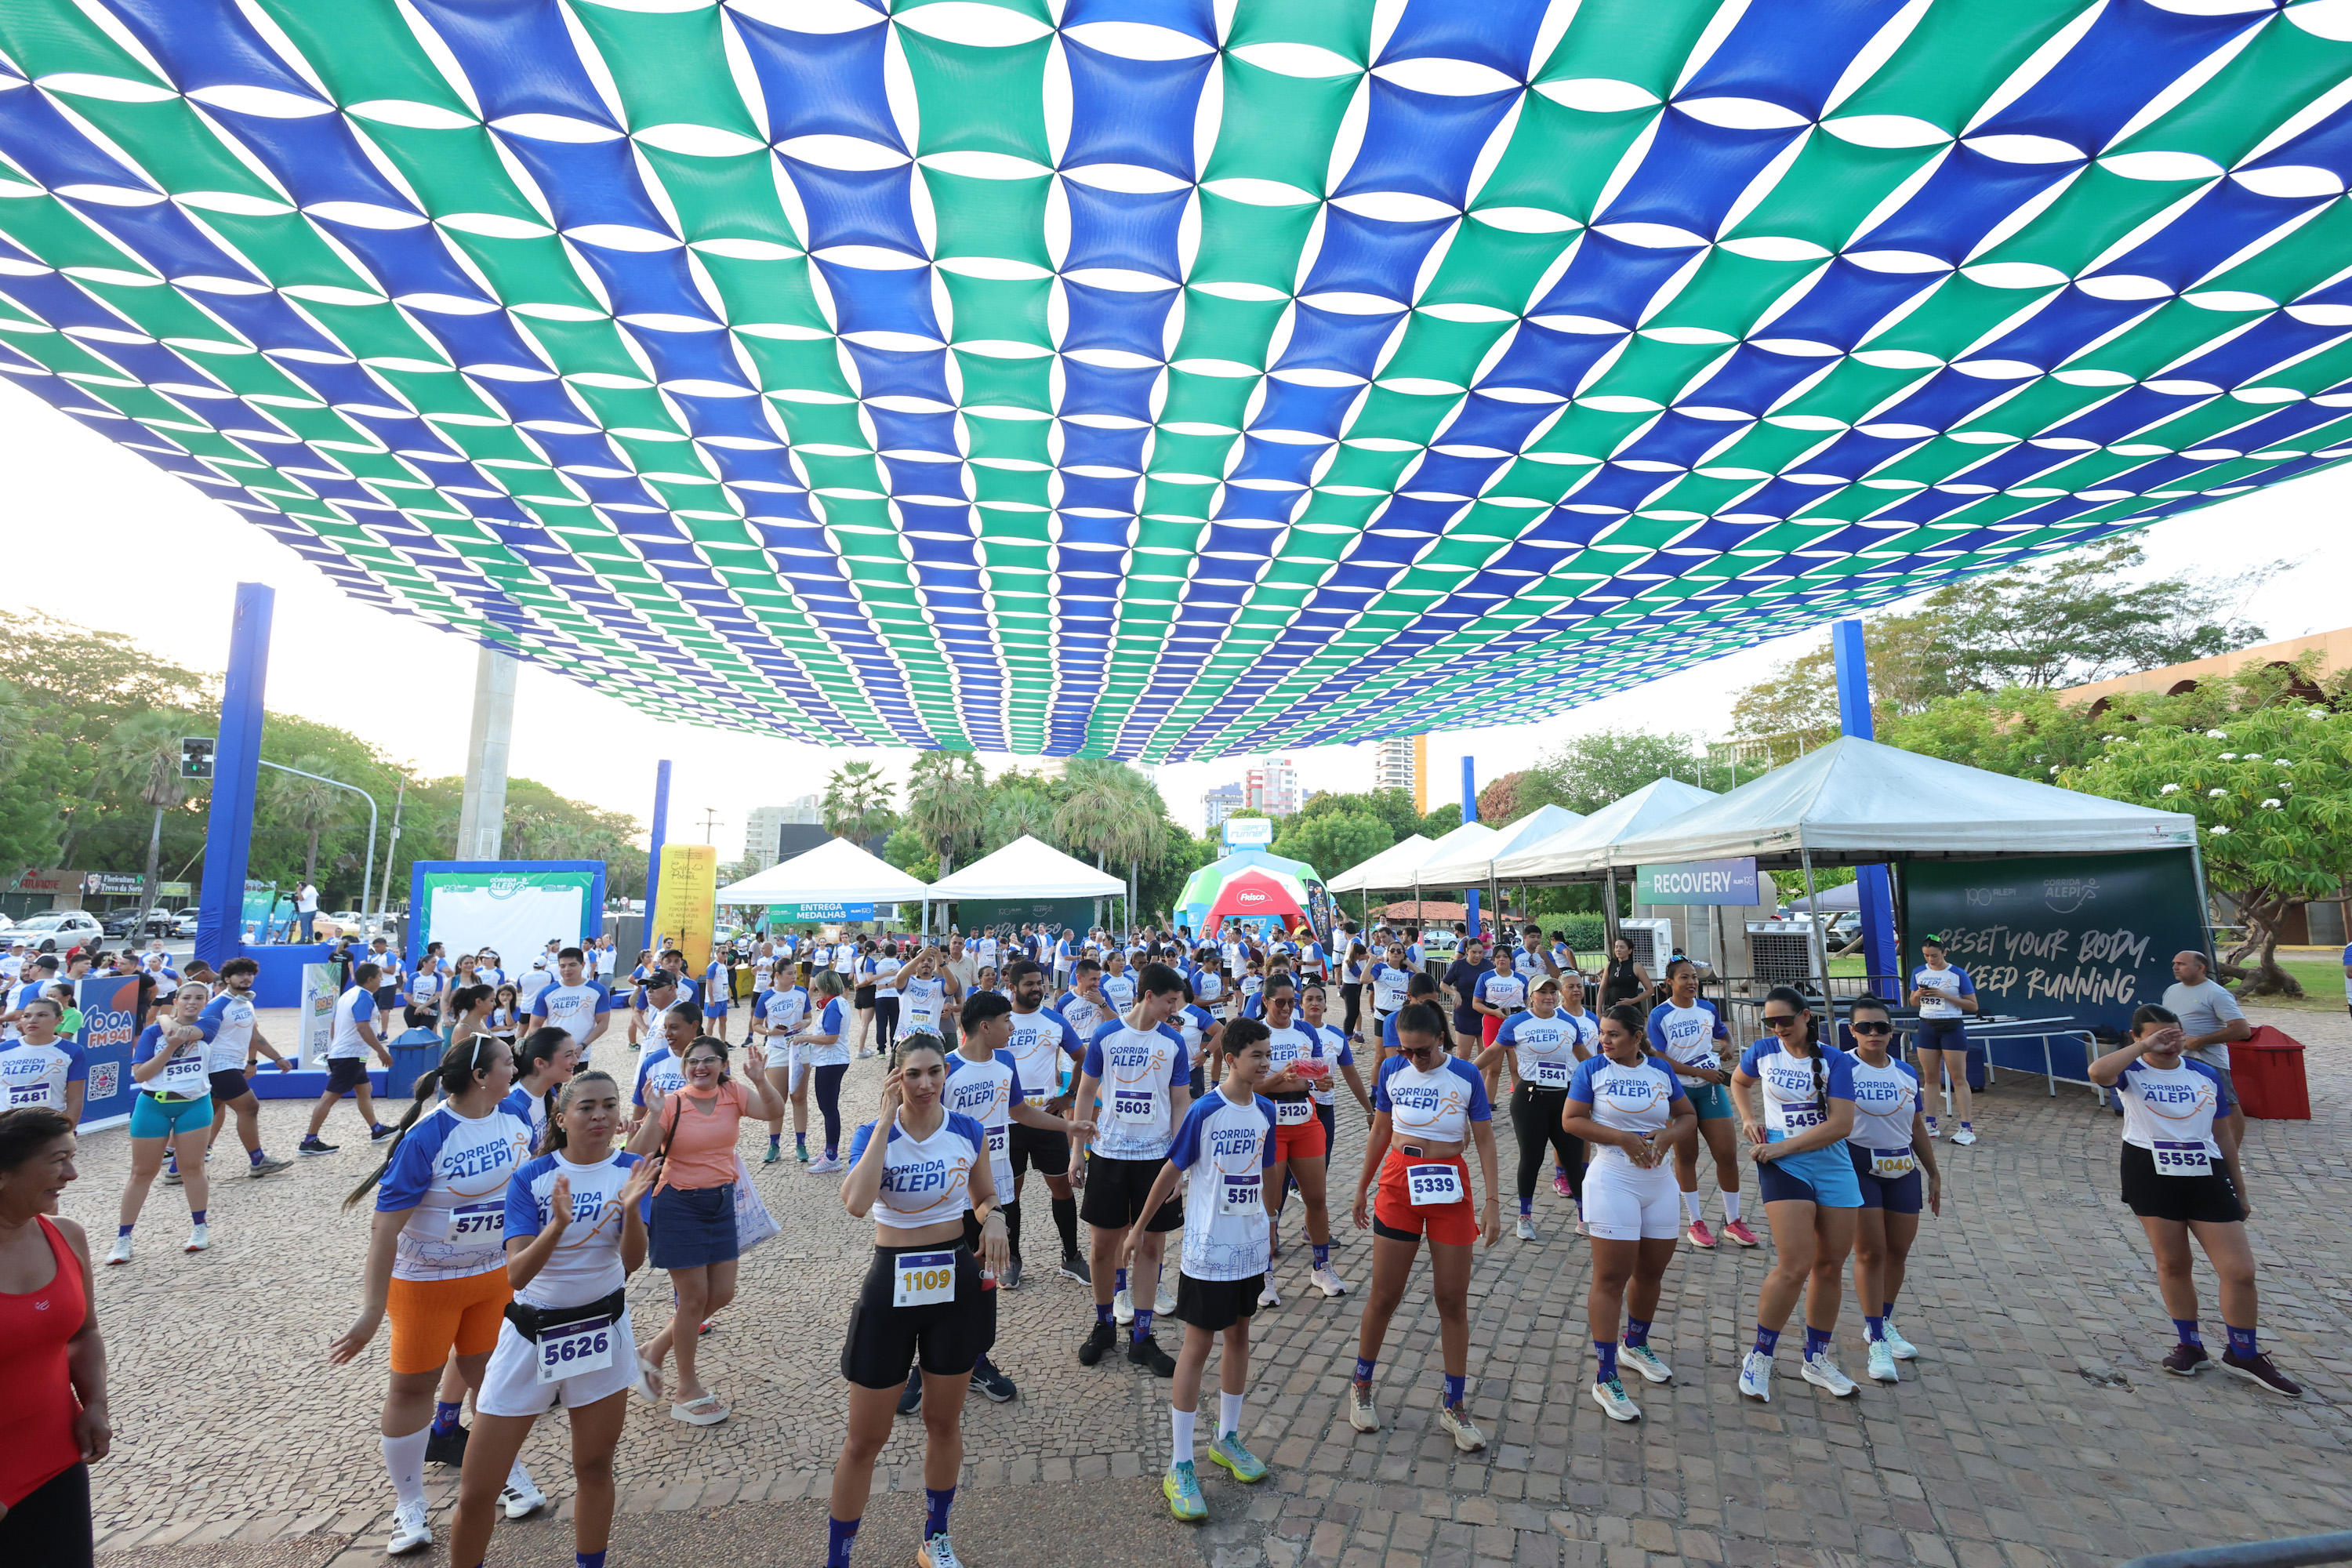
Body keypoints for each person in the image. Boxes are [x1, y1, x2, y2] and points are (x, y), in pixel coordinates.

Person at [329, 1035, 539, 1556]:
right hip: (426, 1286)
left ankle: (506, 1472)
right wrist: (371, 1310)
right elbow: (384, 1228)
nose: (515, 1068)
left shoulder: (515, 1114)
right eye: (507, 1062)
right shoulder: (428, 1136)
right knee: (412, 1389)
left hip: (492, 1279)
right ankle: (409, 1505)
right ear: (480, 1076)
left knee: (492, 1383)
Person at [445, 1071, 659, 1568]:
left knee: (595, 1467)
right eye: (587, 1107)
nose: (600, 1115)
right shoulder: (533, 1177)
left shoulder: (632, 1170)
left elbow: (632, 1262)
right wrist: (558, 1225)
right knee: (478, 1489)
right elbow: (517, 1273)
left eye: (609, 1105)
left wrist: (631, 1211)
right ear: (562, 1119)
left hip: (602, 1331)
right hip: (529, 1334)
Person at [826, 1036, 1009, 1568]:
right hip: (891, 1285)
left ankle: (936, 1538)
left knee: (943, 1422)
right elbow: (857, 1203)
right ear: (895, 1078)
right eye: (913, 1074)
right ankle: (839, 1558)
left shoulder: (967, 1130)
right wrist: (886, 1123)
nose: (926, 1084)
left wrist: (995, 1216)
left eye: (935, 1072)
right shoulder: (873, 1134)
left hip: (954, 1282)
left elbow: (983, 1196)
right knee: (864, 1439)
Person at [2087, 1006, 2299, 1396]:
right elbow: (2098, 1073)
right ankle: (2190, 1344)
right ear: (2136, 1038)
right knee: (2173, 1262)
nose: (2169, 1044)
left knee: (2240, 1270)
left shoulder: (2204, 1073)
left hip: (2206, 1173)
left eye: (2175, 1035)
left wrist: (2240, 1189)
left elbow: (2223, 1136)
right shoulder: (2132, 1070)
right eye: (2158, 1036)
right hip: (2150, 1171)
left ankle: (2243, 1353)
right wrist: (2145, 1048)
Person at [1126, 1016, 1278, 1521]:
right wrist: (1139, 1228)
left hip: (1248, 1249)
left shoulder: (1267, 1111)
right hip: (1209, 1252)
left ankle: (1227, 1438)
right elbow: (1170, 1170)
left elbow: (1264, 1174)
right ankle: (1180, 1464)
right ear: (1230, 1059)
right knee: (1198, 1346)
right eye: (1256, 1055)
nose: (1265, 1063)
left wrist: (1269, 1227)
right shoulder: (1204, 1111)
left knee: (1240, 1335)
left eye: (1268, 1053)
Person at [1346, 1000, 1498, 1449]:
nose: (1414, 1059)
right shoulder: (1392, 1070)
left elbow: (1485, 1139)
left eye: (1423, 1051)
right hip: (1399, 1182)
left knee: (1452, 1298)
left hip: (1449, 1184)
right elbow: (1379, 1130)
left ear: (1441, 1039)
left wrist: (1492, 1202)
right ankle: (1361, 1385)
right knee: (1384, 1295)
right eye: (1406, 1050)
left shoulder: (1466, 1075)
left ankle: (1454, 1404)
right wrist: (1362, 1187)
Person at [625, 1034, 780, 1425]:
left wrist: (761, 1079)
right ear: (684, 1068)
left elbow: (773, 1111)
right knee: (693, 1298)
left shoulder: (733, 1093)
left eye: (710, 1060)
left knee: (722, 1293)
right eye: (693, 1061)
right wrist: (652, 1114)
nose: (701, 1067)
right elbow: (635, 1154)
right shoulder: (672, 1103)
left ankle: (652, 1350)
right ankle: (686, 1389)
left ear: (723, 1065)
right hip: (678, 1205)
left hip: (721, 1202)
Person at [1560, 1003, 1694, 1421]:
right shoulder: (1592, 1070)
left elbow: (1687, 1116)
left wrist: (1668, 1136)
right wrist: (1620, 1137)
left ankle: (1635, 1345)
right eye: (1602, 1032)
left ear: (1637, 1037)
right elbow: (1571, 1120)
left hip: (1659, 1182)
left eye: (1614, 1034)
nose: (1604, 1040)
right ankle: (1605, 1376)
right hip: (1613, 1179)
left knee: (1652, 1272)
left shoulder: (1660, 1070)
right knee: (1611, 1278)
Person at [1730, 986, 1864, 1403]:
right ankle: (1760, 1355)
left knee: (1830, 1265)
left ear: (1806, 1016)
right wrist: (1748, 1117)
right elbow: (1739, 1081)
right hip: (1783, 1165)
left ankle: (1816, 1358)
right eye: (1770, 1021)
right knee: (1795, 1264)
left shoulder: (1837, 1060)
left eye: (1785, 1020)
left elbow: (1841, 1125)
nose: (1777, 1028)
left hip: (1829, 1163)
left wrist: (1782, 1146)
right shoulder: (1763, 1051)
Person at [0, 1107, 111, 1568]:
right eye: (57, 1160)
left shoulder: (66, 1236)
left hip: (56, 1458)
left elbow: (85, 1332)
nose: (72, 1174)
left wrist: (95, 1404)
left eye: (72, 1157)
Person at [1071, 963, 1192, 1374]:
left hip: (1156, 1160)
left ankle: (1142, 1336)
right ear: (1149, 995)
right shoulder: (1106, 1035)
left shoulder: (1173, 1042)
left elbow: (1180, 1102)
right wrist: (1077, 1150)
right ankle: (1104, 1324)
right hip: (1108, 1154)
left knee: (1152, 1248)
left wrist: (1178, 1164)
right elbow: (1086, 1092)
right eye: (1170, 1001)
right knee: (1102, 1247)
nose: (1174, 1009)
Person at [1839, 996, 1940, 1385]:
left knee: (1898, 1251)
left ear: (1891, 1030)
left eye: (1880, 1027)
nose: (1873, 1033)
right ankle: (1877, 1339)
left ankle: (1881, 1321)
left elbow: (1915, 1126)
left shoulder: (1906, 1072)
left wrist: (1933, 1172)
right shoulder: (1842, 1067)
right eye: (1864, 1027)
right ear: (1852, 1031)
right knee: (1871, 1251)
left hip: (1902, 1167)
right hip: (1859, 1165)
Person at [1643, 960, 1756, 1249]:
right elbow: (1659, 1057)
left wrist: (1729, 1044)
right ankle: (1696, 1222)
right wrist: (1697, 1072)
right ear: (1669, 982)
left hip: (1711, 1089)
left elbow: (1723, 1032)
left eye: (1694, 977)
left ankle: (1734, 1220)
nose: (1692, 982)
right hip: (1679, 1093)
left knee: (1727, 1154)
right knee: (1687, 1156)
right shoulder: (1660, 1014)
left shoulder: (1707, 1008)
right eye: (1684, 977)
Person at [1475, 973, 1595, 1242]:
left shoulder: (1568, 1022)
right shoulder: (1517, 1022)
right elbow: (1493, 1051)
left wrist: (1608, 1071)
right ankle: (1525, 1217)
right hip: (1530, 1099)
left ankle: (1583, 1216)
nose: (1549, 997)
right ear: (1531, 996)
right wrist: (1467, 1071)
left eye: (1553, 992)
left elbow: (1584, 1057)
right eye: (1543, 992)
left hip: (1565, 1098)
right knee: (1532, 1159)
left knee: (1574, 1160)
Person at [111, 982, 220, 1263]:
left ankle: (200, 1227)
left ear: (206, 1002)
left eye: (199, 998)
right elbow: (140, 1075)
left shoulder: (209, 1023)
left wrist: (165, 1020)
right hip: (153, 1104)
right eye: (187, 998)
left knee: (192, 1167)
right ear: (177, 1000)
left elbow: (183, 1033)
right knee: (141, 1172)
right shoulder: (152, 1033)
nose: (192, 1002)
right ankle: (123, 1238)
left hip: (194, 1104)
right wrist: (167, 1047)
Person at [1256, 975, 1348, 1305]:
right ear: (1265, 1001)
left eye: (1291, 1002)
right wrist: (1281, 1080)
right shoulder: (1255, 1032)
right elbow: (1248, 1086)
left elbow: (1317, 1077)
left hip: (1306, 1120)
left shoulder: (1307, 1031)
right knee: (1270, 1204)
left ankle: (1321, 1266)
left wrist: (1322, 1083)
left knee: (1317, 1198)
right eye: (1279, 1002)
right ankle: (1264, 1272)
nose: (1286, 1008)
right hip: (1270, 1125)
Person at [1000, 959, 1087, 1285]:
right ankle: (1012, 1259)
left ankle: (1071, 1257)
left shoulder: (1055, 1020)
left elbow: (1082, 1057)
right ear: (1012, 987)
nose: (1037, 988)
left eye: (1040, 983)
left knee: (1062, 1188)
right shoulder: (1000, 1021)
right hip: (1008, 1122)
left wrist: (1069, 1096)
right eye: (1030, 984)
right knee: (1010, 1193)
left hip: (1048, 1119)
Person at [195, 957, 294, 1182]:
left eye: (249, 974)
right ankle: (258, 1161)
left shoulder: (246, 1003)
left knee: (206, 1114)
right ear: (227, 979)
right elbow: (199, 1034)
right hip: (218, 1066)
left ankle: (177, 1167)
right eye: (240, 974)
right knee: (249, 1107)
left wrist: (277, 1058)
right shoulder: (218, 1005)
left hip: (232, 1065)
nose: (246, 978)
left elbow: (254, 1036)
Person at [2162, 949, 2250, 1143]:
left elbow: (2242, 1030)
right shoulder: (2172, 990)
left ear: (2201, 968)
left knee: (2227, 1104)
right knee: (2184, 1105)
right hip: (2178, 1059)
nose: (2175, 967)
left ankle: (2231, 1154)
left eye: (2182, 964)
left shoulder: (2216, 993)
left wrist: (2200, 1041)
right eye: (2174, 963)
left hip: (2209, 1061)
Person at [1906, 935, 1980, 1144]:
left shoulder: (1958, 974)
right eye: (1926, 956)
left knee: (1958, 1077)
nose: (1931, 960)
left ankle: (1966, 1127)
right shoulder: (1919, 972)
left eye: (1935, 956)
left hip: (1951, 1026)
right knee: (1930, 1077)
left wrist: (1945, 995)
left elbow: (1973, 1006)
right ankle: (1931, 1123)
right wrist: (1919, 994)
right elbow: (1913, 1002)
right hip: (1927, 1025)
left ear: (1945, 953)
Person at [787, 971, 852, 1172]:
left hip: (830, 1062)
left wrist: (804, 1038)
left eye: (818, 988)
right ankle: (829, 1150)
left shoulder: (833, 1006)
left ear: (826, 987)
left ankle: (832, 1156)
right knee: (829, 1108)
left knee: (829, 1109)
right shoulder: (840, 1002)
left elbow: (831, 1038)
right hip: (833, 1060)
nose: (817, 992)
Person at [0, 996, 88, 1125]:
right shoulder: (3, 1050)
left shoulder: (73, 1051)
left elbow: (75, 1099)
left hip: (50, 1127)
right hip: (7, 1127)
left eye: (42, 1015)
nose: (32, 1020)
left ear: (59, 1020)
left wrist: (69, 1129)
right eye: (27, 1016)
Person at [757, 964, 813, 1164]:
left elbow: (808, 1018)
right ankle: (774, 1145)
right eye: (789, 974)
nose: (794, 977)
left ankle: (801, 1145)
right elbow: (755, 1024)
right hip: (777, 1049)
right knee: (777, 1099)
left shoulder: (801, 992)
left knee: (799, 1097)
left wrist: (804, 1024)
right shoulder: (766, 997)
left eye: (795, 973)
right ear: (777, 975)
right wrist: (770, 1032)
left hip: (799, 1048)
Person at [502, 1026, 580, 1153]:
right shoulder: (514, 1105)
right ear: (540, 1063)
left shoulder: (550, 1091)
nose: (576, 1062)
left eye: (575, 1054)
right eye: (568, 1055)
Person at [530, 947, 612, 1066]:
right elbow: (534, 1026)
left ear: (583, 965)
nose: (567, 969)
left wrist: (583, 1045)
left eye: (572, 965)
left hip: (580, 1055)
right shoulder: (547, 992)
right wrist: (548, 1046)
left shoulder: (598, 990)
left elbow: (603, 1023)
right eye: (562, 966)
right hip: (554, 1056)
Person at [1599, 936, 1650, 1017]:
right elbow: (1602, 989)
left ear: (1630, 951)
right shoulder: (1610, 965)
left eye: (1622, 947)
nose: (1618, 950)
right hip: (1613, 1009)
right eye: (1616, 947)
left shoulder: (1636, 966)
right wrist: (1598, 1010)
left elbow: (1650, 990)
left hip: (1631, 1010)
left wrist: (1632, 1001)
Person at [295, 879, 319, 944]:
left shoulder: (307, 890)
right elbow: (317, 896)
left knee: (304, 926)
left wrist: (298, 890)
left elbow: (301, 898)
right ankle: (310, 939)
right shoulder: (312, 888)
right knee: (309, 925)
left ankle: (303, 940)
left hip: (306, 911)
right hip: (313, 909)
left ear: (301, 886)